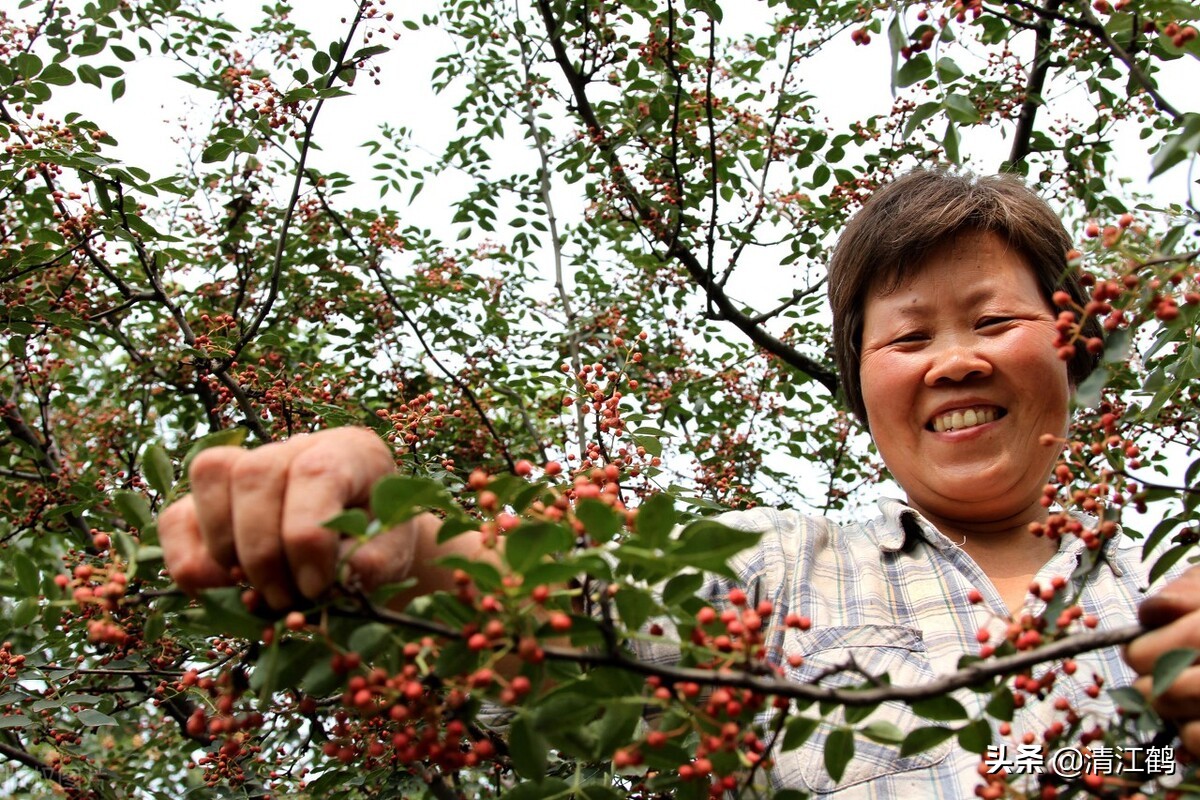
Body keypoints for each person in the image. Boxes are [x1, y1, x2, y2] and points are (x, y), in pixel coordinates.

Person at [159, 169, 1200, 796]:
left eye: (995, 320)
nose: (954, 361)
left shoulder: (1172, 585)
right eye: (909, 336)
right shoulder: (775, 570)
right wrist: (389, 531)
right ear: (862, 387)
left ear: (1070, 344)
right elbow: (544, 612)